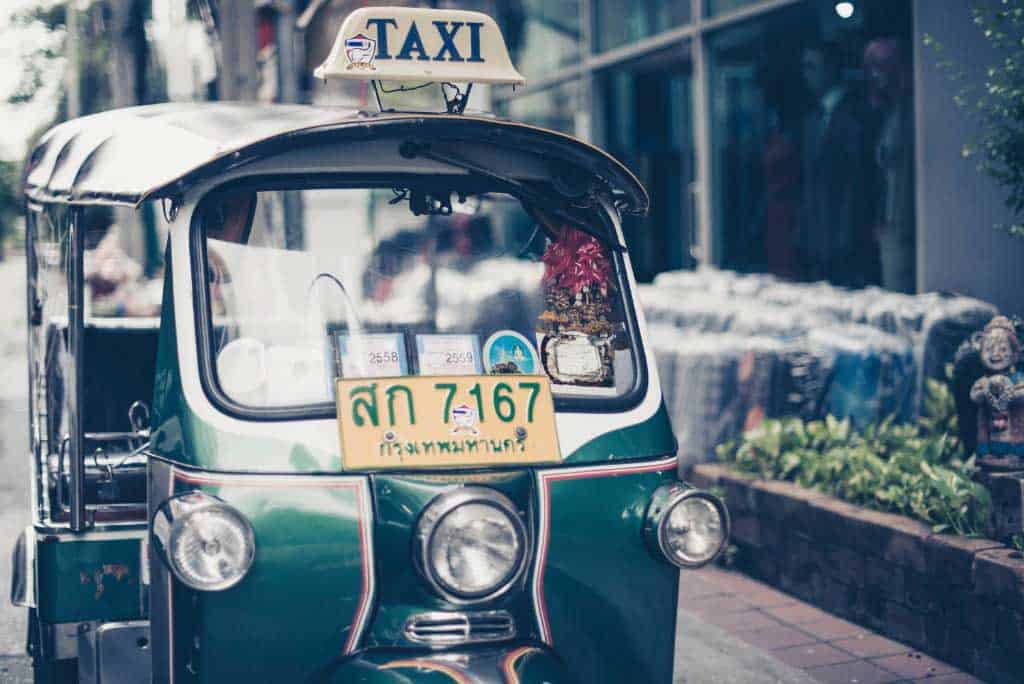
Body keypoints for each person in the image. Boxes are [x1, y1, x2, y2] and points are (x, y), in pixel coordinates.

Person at [797, 41, 875, 286]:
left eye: (812, 66)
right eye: (804, 67)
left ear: (830, 69)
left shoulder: (856, 114)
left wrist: (846, 236)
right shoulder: (812, 119)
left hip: (847, 237)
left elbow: (859, 179)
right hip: (818, 238)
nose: (805, 74)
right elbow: (809, 181)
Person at [864, 38, 915, 293]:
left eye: (882, 67)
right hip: (889, 219)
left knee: (899, 287)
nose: (876, 75)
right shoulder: (889, 113)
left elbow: (906, 171)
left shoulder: (909, 112)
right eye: (872, 68)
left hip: (902, 219)